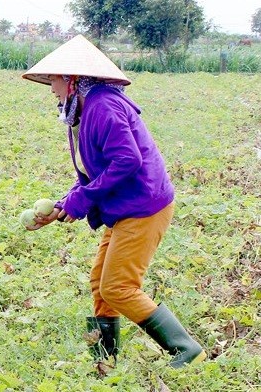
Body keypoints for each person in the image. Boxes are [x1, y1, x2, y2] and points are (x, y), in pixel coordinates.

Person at [21, 35, 206, 368]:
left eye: (54, 80)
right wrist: (67, 205)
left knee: (118, 287)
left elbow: (126, 161)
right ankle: (104, 359)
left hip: (144, 207)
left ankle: (186, 350)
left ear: (73, 79)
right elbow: (96, 173)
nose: (51, 88)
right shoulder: (87, 108)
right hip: (127, 206)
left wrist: (78, 201)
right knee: (100, 282)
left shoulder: (103, 106)